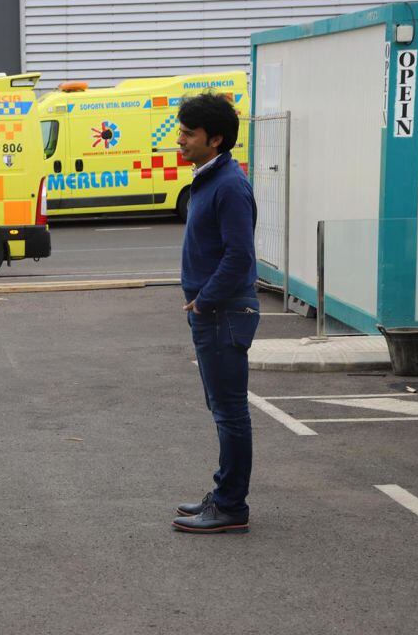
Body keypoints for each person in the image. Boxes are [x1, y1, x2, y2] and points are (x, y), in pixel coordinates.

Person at [172, 92, 259, 535]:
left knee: (230, 412)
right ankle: (224, 493)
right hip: (213, 312)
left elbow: (240, 255)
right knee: (222, 408)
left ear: (216, 138)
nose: (180, 139)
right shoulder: (211, 176)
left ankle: (230, 507)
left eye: (189, 132)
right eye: (181, 130)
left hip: (223, 312)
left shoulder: (228, 184)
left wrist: (204, 300)